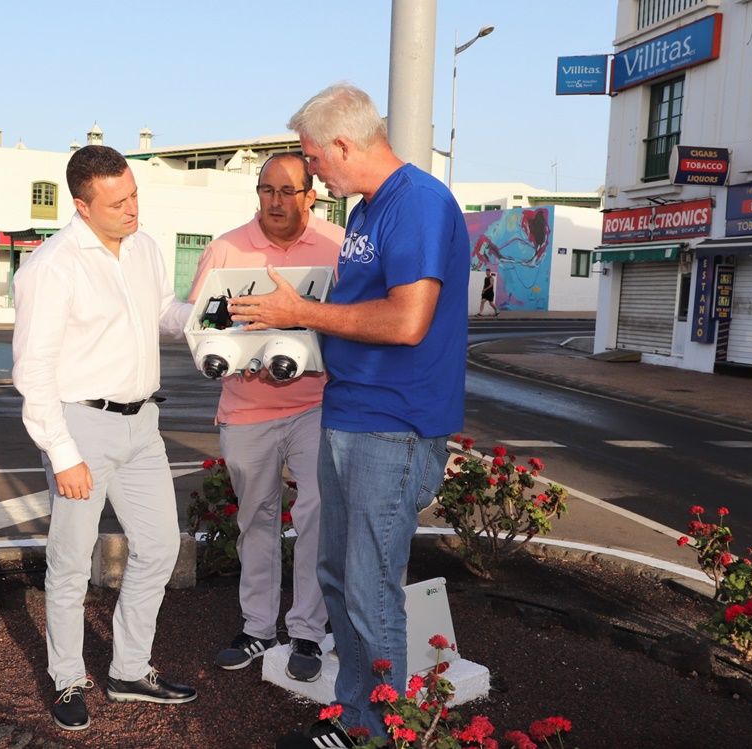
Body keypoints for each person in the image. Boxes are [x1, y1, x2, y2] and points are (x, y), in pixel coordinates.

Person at [229, 83, 467, 747]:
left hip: (393, 426)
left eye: (312, 158)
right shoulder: (367, 210)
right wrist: (288, 336)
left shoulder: (417, 203)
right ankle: (357, 718)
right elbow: (358, 315)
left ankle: (382, 733)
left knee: (369, 590)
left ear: (342, 143)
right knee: (338, 578)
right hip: (351, 414)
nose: (310, 173)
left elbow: (407, 318)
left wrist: (300, 314)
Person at [12, 145, 197, 732]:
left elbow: (162, 310)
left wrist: (209, 316)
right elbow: (32, 374)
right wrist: (63, 454)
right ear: (82, 206)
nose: (132, 209)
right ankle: (67, 677)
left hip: (144, 425)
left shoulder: (143, 247)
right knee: (69, 564)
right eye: (117, 202)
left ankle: (128, 669)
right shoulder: (51, 267)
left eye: (135, 194)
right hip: (81, 426)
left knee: (160, 547)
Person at [187, 152, 343, 682]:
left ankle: (306, 630)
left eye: (287, 191)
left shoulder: (337, 247)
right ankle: (258, 628)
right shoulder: (226, 248)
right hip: (247, 409)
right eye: (266, 190)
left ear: (310, 195)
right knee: (254, 517)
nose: (275, 202)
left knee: (316, 515)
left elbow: (353, 321)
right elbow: (200, 325)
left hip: (316, 405)